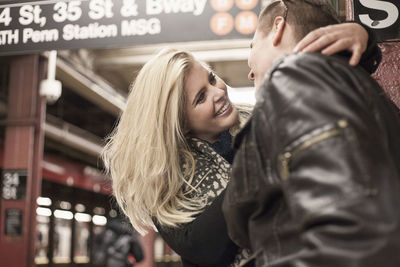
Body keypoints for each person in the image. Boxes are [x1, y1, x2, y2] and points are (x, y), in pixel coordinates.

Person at [101, 20, 382, 266]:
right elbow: (210, 248)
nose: (218, 92)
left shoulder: (262, 124)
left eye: (211, 79)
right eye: (201, 97)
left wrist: (364, 39)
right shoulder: (170, 185)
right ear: (180, 122)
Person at [222, 0, 400, 266]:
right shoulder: (360, 91)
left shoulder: (295, 74)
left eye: (252, 46)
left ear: (278, 28)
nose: (249, 71)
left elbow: (352, 235)